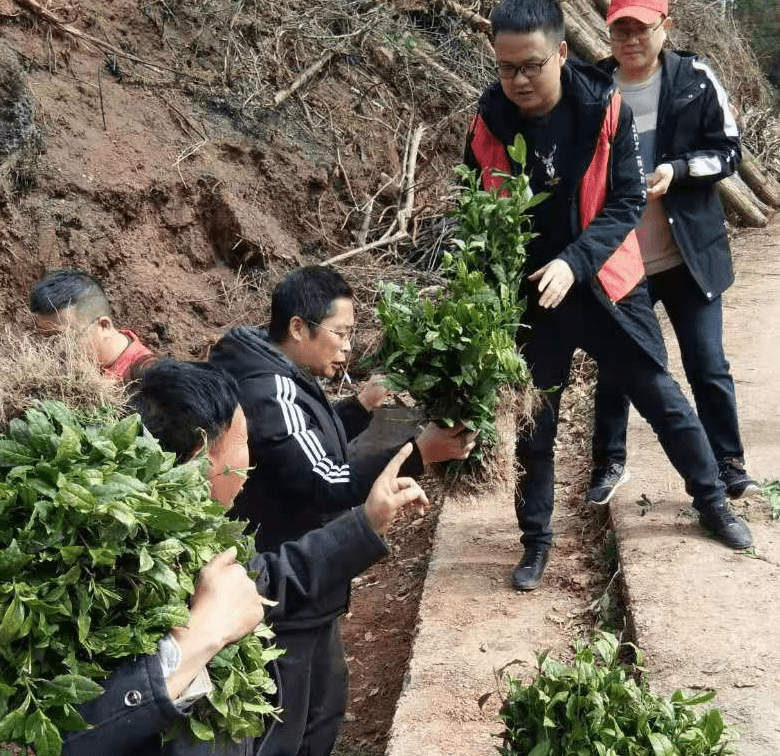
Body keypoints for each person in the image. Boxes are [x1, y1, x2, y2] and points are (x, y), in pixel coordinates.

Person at [463, 0, 752, 592]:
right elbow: (474, 203)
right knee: (532, 423)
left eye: (531, 66)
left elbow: (624, 201)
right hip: (531, 299)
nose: (518, 80)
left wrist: (574, 262)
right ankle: (536, 541)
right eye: (506, 67)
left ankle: (713, 502)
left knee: (661, 394)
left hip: (607, 284)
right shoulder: (489, 120)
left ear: (562, 53)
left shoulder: (603, 107)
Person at [63, 359, 428, 756]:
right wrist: (198, 639)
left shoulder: (189, 541)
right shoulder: (111, 575)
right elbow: (77, 734)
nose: (250, 463)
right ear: (204, 458)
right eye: (242, 443)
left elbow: (264, 580)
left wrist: (367, 523)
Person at [209, 264, 477, 756]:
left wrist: (356, 407)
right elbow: (323, 478)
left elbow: (305, 442)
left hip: (313, 585)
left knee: (324, 712)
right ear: (298, 328)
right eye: (341, 333)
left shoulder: (278, 370)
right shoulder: (270, 390)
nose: (348, 346)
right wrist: (420, 452)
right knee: (282, 729)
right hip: (285, 590)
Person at [585, 0, 758, 506]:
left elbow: (729, 151)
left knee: (707, 363)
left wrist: (677, 171)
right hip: (620, 262)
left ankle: (728, 462)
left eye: (642, 28)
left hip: (687, 256)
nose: (631, 40)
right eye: (621, 31)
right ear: (609, 34)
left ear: (666, 28)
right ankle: (609, 463)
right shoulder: (591, 86)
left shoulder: (695, 77)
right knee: (617, 367)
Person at [30, 269, 155, 381]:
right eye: (47, 339)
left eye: (64, 338)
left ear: (104, 326)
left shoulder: (146, 381)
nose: (55, 351)